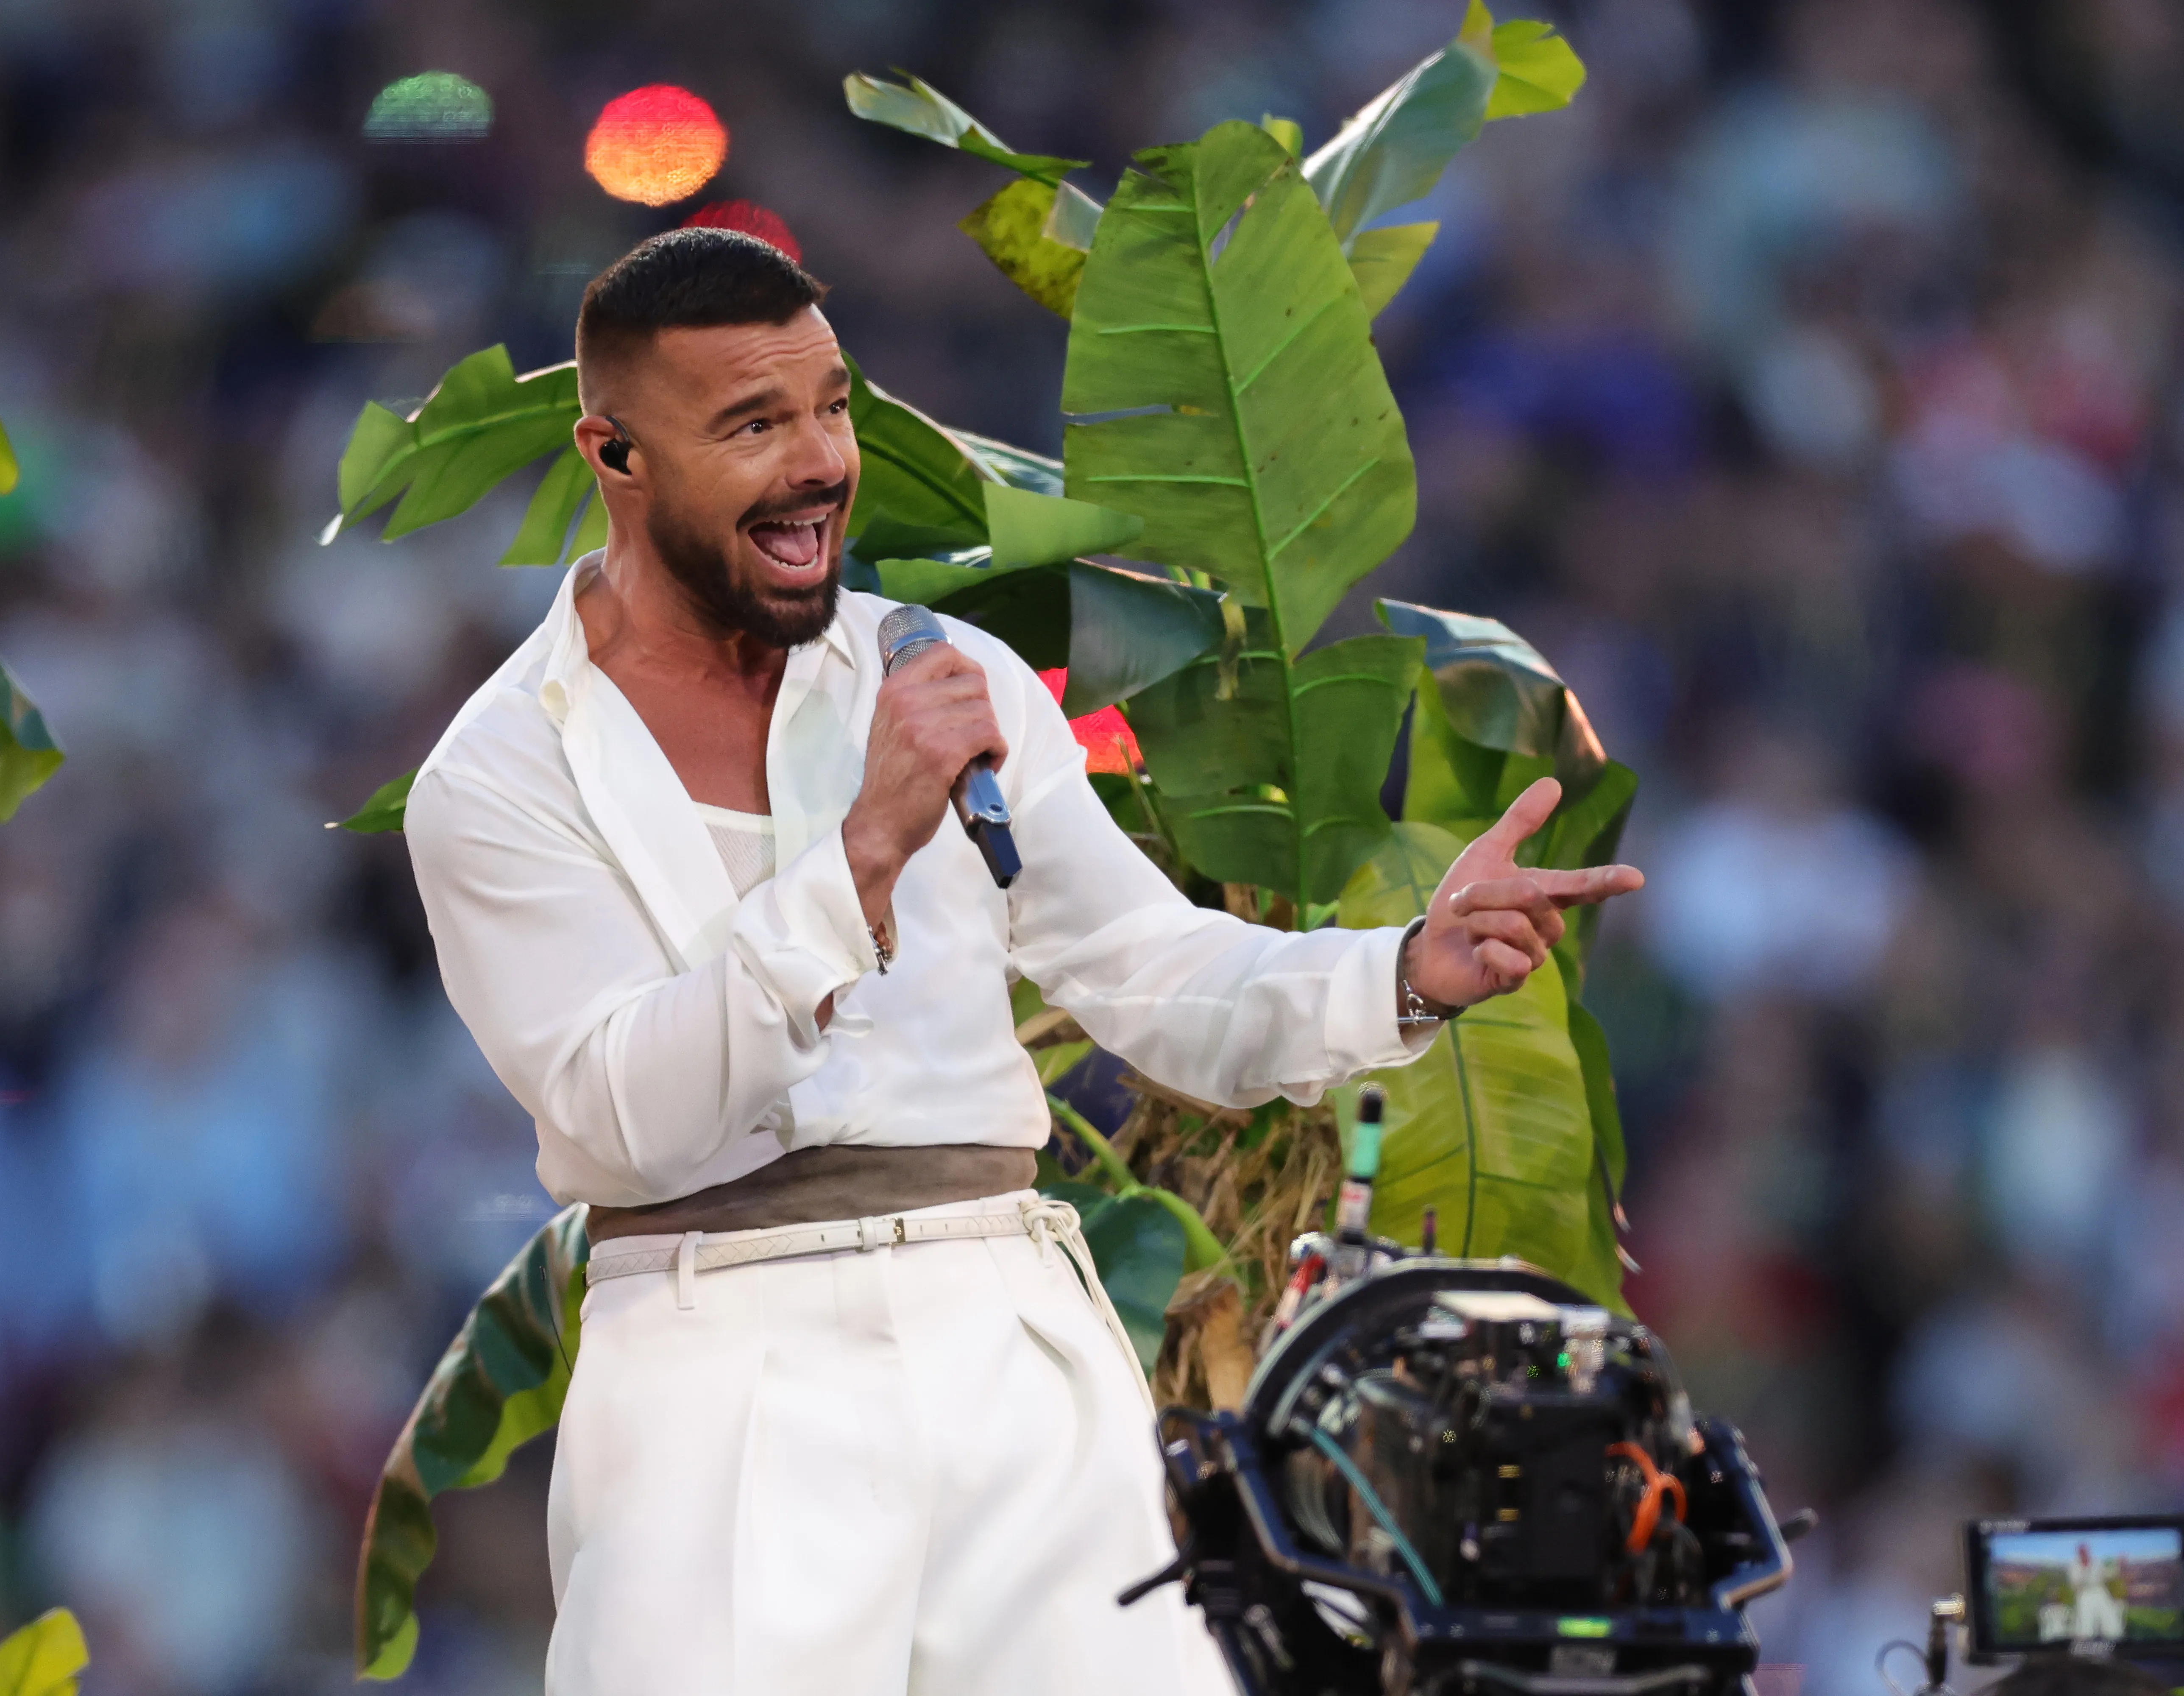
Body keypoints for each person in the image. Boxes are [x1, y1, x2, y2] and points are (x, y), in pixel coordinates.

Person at [403, 228, 1646, 1696]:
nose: (818, 463)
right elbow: (628, 1115)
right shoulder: (500, 775)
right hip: (713, 1356)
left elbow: (1156, 974)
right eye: (753, 425)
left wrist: (1403, 974)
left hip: (1008, 1326)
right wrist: (862, 851)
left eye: (832, 408)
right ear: (615, 456)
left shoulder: (949, 677)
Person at [2072, 1543, 2128, 1641]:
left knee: (2111, 1621)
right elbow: (2075, 1583)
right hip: (2085, 1596)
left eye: (2086, 1551)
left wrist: (2119, 1564)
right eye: (2082, 1552)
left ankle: (2115, 1643)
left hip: (2100, 1593)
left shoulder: (2097, 1563)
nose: (2084, 1554)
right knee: (2086, 1626)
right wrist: (2085, 1574)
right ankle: (2087, 1648)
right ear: (2079, 1554)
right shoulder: (2074, 1566)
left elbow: (2109, 1574)